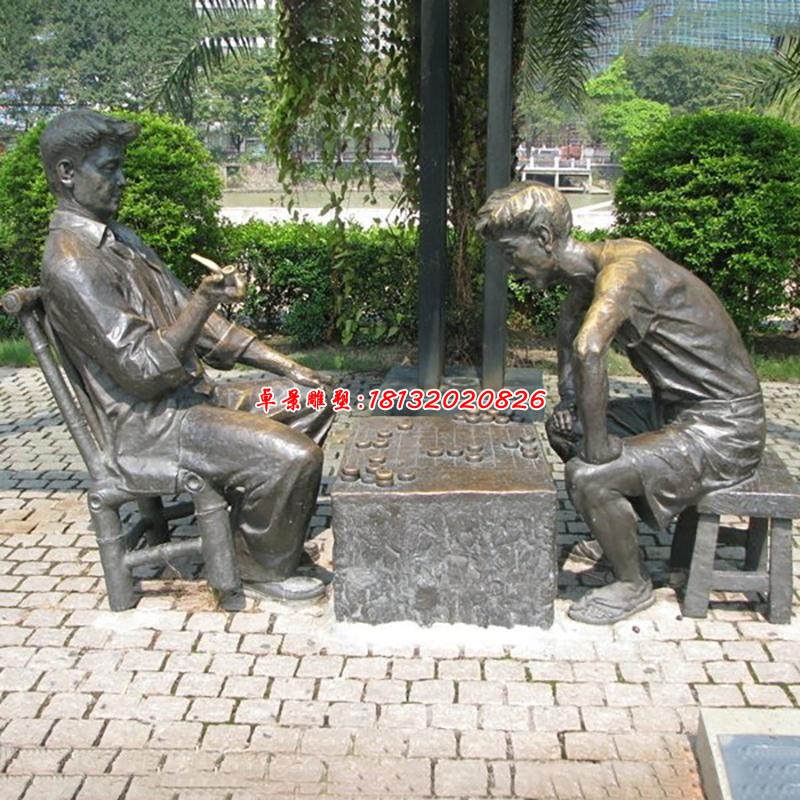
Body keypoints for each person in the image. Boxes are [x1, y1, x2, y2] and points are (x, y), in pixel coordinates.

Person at [39, 109, 334, 601]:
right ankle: (261, 568)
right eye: (109, 168)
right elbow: (142, 371)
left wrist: (289, 367)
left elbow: (205, 330)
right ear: (67, 173)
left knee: (314, 399)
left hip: (196, 400)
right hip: (153, 425)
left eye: (120, 167)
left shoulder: (122, 241)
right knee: (295, 456)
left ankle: (258, 535)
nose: (122, 180)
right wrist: (202, 300)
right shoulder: (72, 264)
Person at [476, 182, 765, 624]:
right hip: (676, 412)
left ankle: (632, 582)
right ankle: (614, 530)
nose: (509, 268)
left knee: (589, 476)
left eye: (510, 252)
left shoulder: (624, 273)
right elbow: (570, 330)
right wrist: (570, 402)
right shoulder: (589, 273)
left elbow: (589, 348)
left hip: (725, 429)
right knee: (564, 429)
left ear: (544, 238)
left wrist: (598, 449)